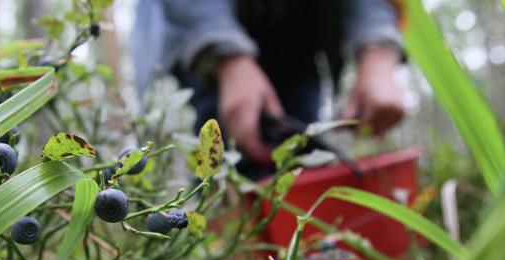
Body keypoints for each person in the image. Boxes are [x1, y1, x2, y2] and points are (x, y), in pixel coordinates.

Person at [132, 0, 406, 179]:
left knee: (298, 157)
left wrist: (378, 51)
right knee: (228, 159)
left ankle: (295, 251)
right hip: (199, 22)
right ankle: (231, 244)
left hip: (297, 33)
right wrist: (224, 55)